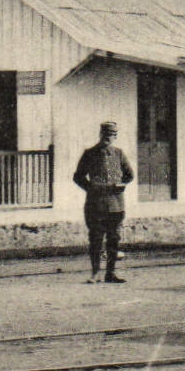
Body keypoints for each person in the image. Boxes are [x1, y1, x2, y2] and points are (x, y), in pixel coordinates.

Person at [73, 121, 134, 284]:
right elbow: (78, 176)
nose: (108, 138)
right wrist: (91, 189)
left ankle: (110, 273)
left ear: (115, 137)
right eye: (105, 135)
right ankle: (95, 273)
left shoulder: (119, 154)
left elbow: (130, 175)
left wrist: (122, 184)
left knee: (114, 240)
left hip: (116, 205)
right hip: (96, 205)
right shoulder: (90, 154)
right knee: (96, 240)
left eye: (111, 135)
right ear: (100, 134)